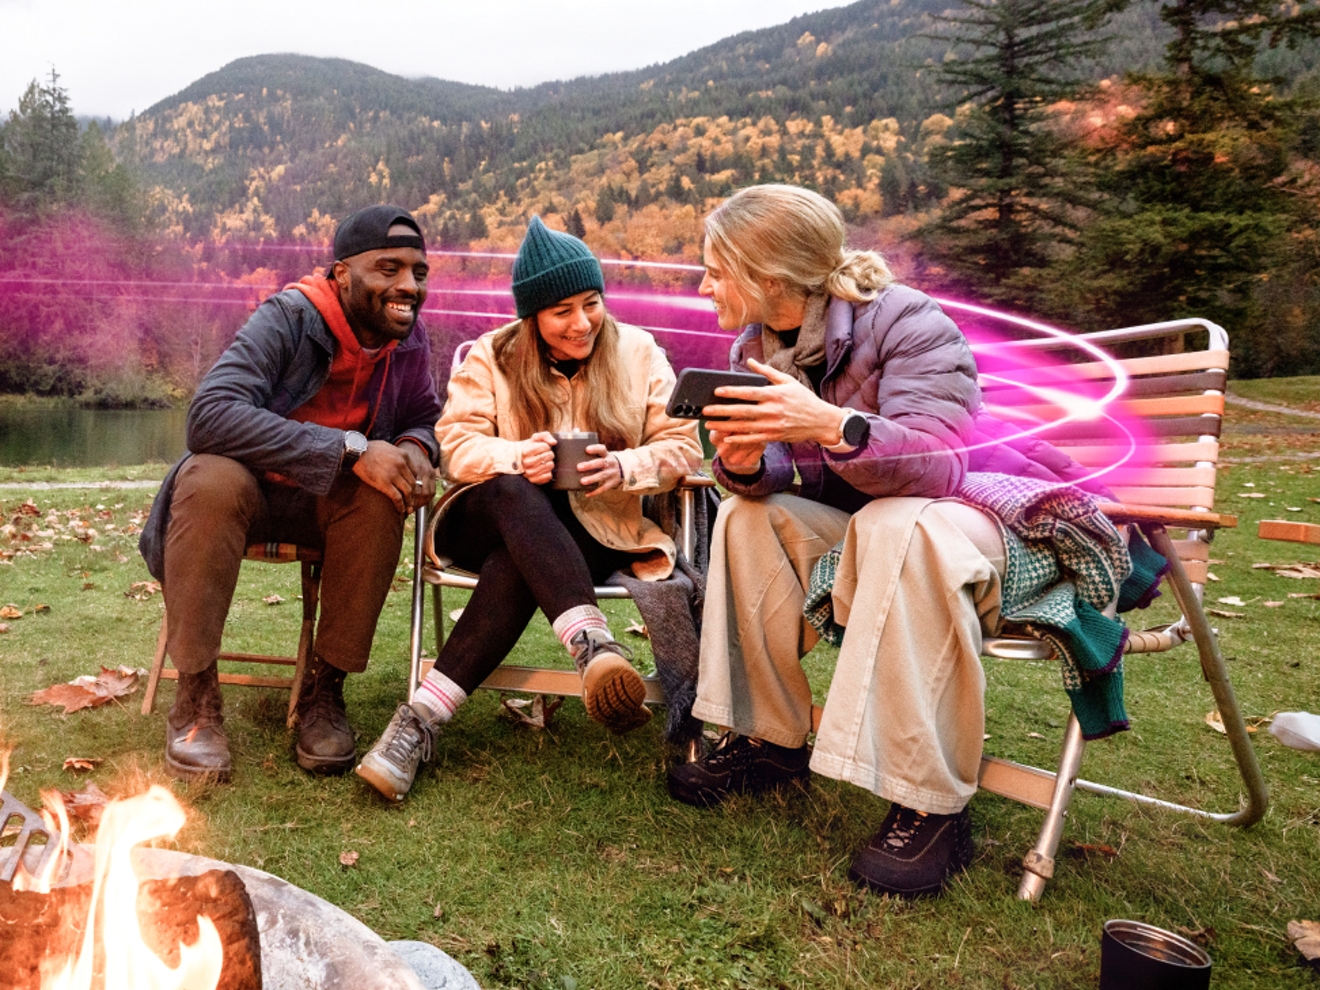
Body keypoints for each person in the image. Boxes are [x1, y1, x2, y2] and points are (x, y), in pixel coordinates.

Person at [666, 184, 1007, 899]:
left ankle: (931, 804)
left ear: (767, 274)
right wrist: (750, 464)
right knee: (746, 519)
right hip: (865, 526)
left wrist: (828, 424)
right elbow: (789, 482)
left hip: (958, 523)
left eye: (714, 269)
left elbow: (941, 463)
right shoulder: (758, 346)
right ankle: (767, 740)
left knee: (891, 525)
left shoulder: (909, 321)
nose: (704, 285)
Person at [355, 216, 703, 804]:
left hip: (596, 529)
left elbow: (684, 447)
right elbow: (457, 447)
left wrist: (625, 468)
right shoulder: (492, 356)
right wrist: (519, 454)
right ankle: (594, 645)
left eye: (591, 303)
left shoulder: (640, 352)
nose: (582, 322)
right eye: (561, 311)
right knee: (515, 494)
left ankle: (418, 723)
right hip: (483, 518)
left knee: (518, 561)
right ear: (533, 318)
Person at [139, 205, 443, 781]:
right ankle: (196, 698)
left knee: (383, 494)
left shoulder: (408, 339)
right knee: (208, 477)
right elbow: (208, 417)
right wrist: (352, 450)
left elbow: (425, 416)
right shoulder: (289, 317)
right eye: (389, 268)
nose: (408, 285)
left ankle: (323, 694)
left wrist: (413, 449)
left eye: (418, 272)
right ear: (343, 274)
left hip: (327, 507)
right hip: (247, 497)